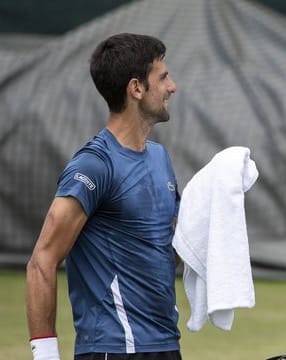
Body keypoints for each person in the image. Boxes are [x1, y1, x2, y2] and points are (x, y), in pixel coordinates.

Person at [26, 33, 181, 360]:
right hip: (112, 349)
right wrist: (46, 353)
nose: (172, 87)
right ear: (136, 88)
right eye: (163, 77)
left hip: (166, 345)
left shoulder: (160, 158)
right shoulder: (94, 165)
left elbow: (166, 250)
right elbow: (43, 259)